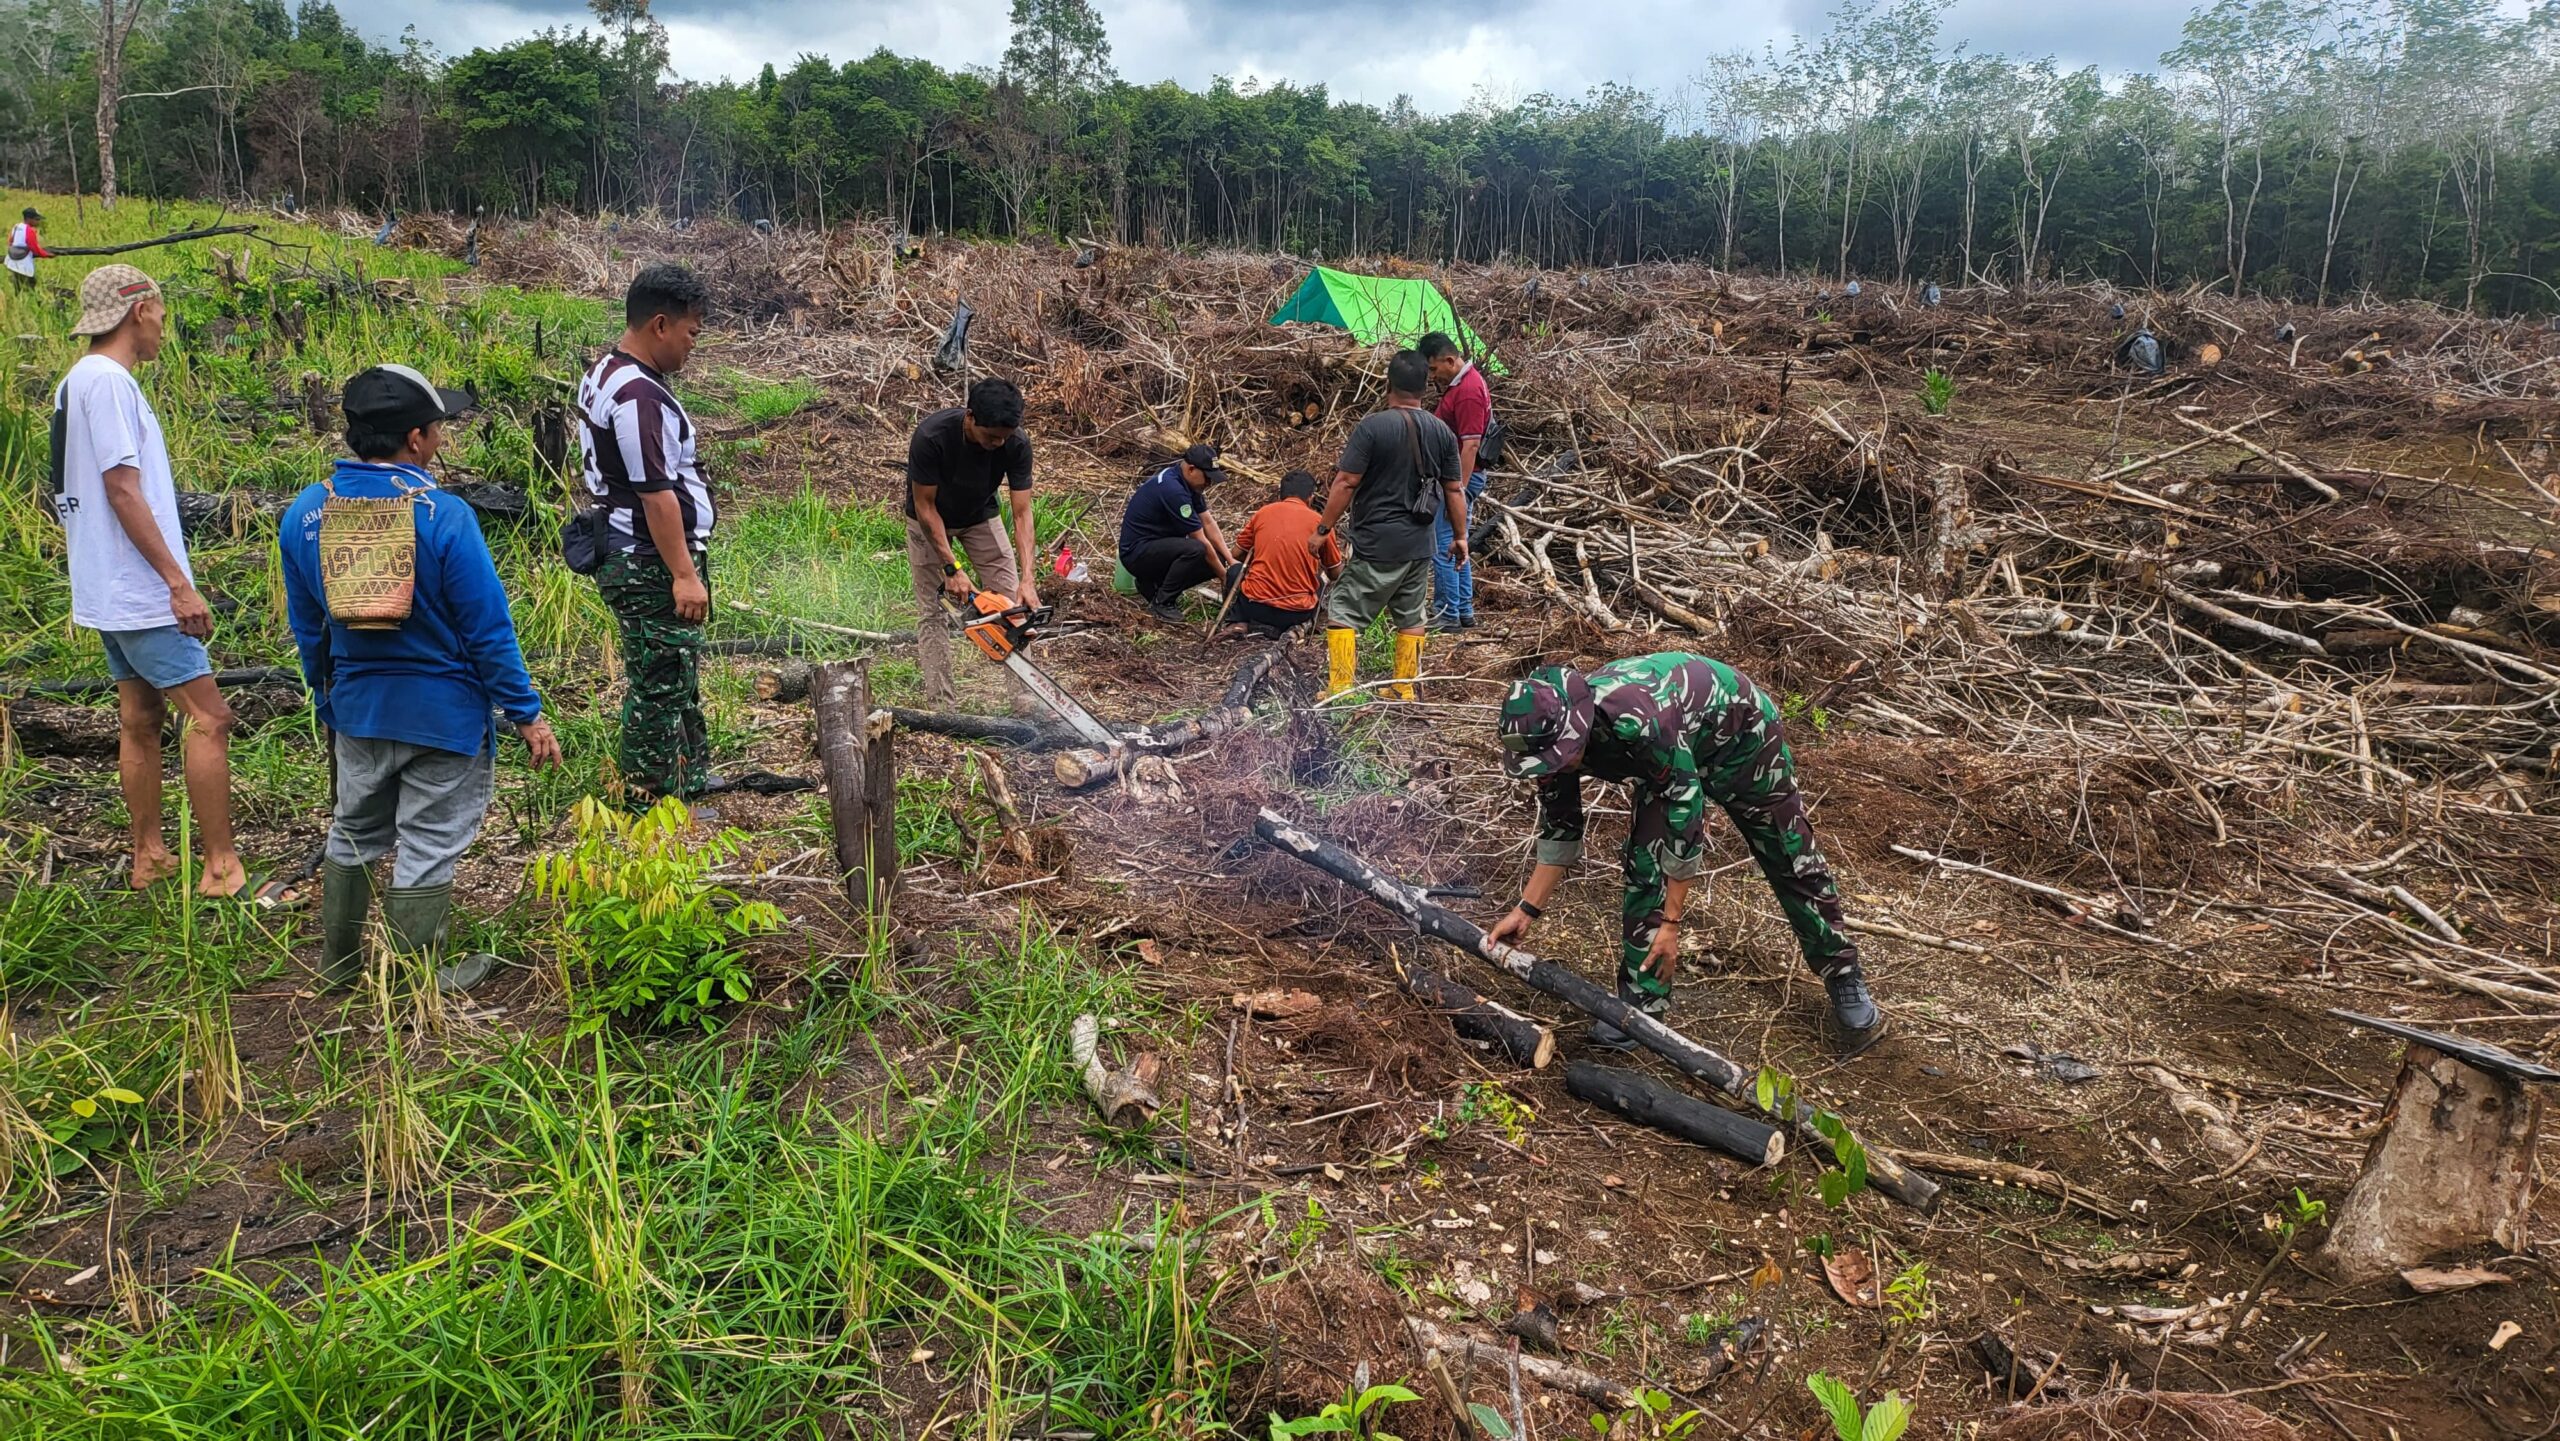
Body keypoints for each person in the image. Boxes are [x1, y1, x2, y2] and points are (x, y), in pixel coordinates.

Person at [281, 366, 564, 991]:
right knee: (430, 840)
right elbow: (488, 629)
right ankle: (415, 979)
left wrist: (328, 699)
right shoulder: (444, 515)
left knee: (353, 828)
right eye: (438, 428)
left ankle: (339, 967)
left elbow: (309, 629)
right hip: (444, 716)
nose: (441, 437)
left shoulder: (307, 512)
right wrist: (526, 713)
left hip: (358, 708)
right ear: (414, 439)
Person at [1488, 654, 1886, 1055]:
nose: (1552, 767)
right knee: (1645, 865)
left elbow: (1686, 812)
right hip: (1670, 755)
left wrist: (1672, 924)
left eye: (1558, 756)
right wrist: (1526, 910)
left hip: (1742, 736)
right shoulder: (1549, 750)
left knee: (1788, 852)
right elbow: (1562, 829)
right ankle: (1642, 1006)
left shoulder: (1639, 719)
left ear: (1577, 727)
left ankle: (1842, 970)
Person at [52, 264, 251, 900]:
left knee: (139, 719)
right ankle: (220, 867)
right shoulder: (110, 384)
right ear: (138, 310)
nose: (164, 326)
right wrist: (176, 582)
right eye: (161, 312)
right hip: (140, 591)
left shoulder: (73, 383)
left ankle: (151, 858)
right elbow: (120, 487)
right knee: (209, 718)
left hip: (103, 586)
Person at [579, 263, 714, 807]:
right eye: (691, 334)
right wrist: (683, 574)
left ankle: (686, 782)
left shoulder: (608, 371)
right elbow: (655, 493)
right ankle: (647, 807)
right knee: (660, 684)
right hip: (647, 561)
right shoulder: (639, 397)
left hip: (638, 553)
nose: (691, 347)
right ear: (660, 325)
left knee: (675, 674)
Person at [1308, 349, 1467, 702]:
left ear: (1387, 383)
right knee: (1411, 615)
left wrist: (1323, 530)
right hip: (1420, 543)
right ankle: (1404, 687)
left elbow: (1346, 481)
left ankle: (1342, 688)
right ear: (1426, 387)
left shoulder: (1373, 427)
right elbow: (1454, 488)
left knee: (1344, 610)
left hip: (1378, 542)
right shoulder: (1441, 431)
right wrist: (1460, 537)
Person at [905, 377, 1042, 704]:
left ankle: (1025, 699)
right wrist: (952, 568)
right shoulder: (932, 437)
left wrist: (1028, 578)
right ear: (970, 417)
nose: (998, 443)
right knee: (933, 610)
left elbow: (1022, 513)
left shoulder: (1016, 443)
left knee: (1013, 606)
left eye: (1004, 437)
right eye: (991, 436)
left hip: (980, 515)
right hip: (930, 520)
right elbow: (925, 507)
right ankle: (942, 704)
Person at [1418, 331, 1491, 630]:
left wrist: (1456, 490)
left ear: (1450, 360)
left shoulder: (1469, 390)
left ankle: (1447, 614)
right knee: (1457, 545)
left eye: (1434, 369)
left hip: (1460, 480)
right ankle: (1463, 610)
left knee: (1444, 546)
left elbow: (1471, 444)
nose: (1432, 377)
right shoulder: (1461, 384)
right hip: (1456, 480)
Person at [1118, 443, 1239, 622]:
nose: (1209, 483)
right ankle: (1163, 602)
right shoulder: (1173, 490)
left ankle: (1154, 585)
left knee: (1217, 559)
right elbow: (1200, 540)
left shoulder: (1188, 484)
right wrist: (1224, 577)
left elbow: (1208, 522)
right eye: (1207, 477)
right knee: (1196, 550)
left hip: (1160, 547)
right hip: (1137, 553)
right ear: (1191, 469)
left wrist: (1230, 561)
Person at [1227, 470, 1340, 636]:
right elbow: (1335, 572)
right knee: (1319, 583)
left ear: (1281, 494)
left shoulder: (1263, 513)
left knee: (1235, 571)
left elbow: (1236, 553)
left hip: (1255, 607)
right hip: (1295, 613)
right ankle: (1294, 628)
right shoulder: (1321, 524)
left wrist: (1260, 560)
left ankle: (1238, 621)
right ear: (1310, 497)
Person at [7, 206, 49, 293]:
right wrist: (46, 254)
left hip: (13, 261)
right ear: (29, 219)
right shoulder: (29, 230)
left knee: (17, 285)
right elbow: (34, 247)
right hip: (24, 262)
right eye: (36, 219)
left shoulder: (16, 226)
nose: (38, 222)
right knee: (31, 284)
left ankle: (19, 302)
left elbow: (10, 241)